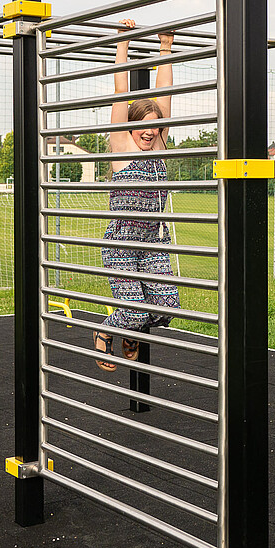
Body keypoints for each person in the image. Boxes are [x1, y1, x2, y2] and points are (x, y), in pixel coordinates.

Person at [94, 19, 181, 370]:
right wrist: (123, 42)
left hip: (153, 241)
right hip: (122, 245)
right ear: (130, 126)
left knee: (167, 308)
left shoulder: (158, 144)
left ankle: (132, 329)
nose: (149, 131)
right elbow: (120, 91)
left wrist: (165, 47)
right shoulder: (121, 147)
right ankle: (106, 330)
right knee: (133, 309)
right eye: (142, 125)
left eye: (155, 125)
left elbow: (165, 97)